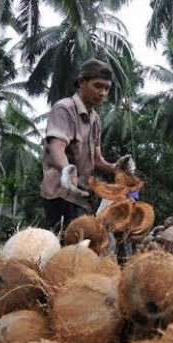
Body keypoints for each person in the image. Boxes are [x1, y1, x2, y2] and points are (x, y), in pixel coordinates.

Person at [41, 58, 134, 233]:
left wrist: (116, 167)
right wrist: (66, 170)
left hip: (82, 196)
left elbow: (97, 160)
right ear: (82, 82)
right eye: (98, 86)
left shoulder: (95, 119)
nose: (103, 93)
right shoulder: (64, 109)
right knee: (67, 249)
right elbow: (56, 148)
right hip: (61, 194)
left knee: (86, 246)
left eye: (107, 88)